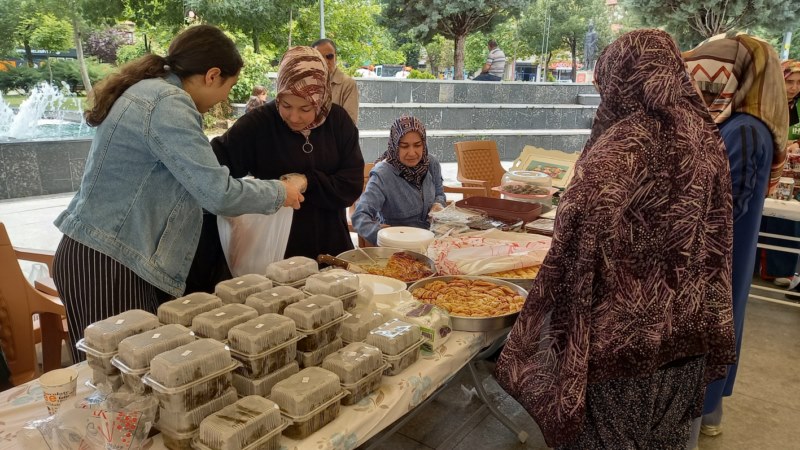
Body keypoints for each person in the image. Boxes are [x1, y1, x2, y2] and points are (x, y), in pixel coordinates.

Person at [494, 29, 736, 449]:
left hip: (618, 345)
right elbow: (717, 239)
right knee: (666, 440)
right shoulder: (705, 140)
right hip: (687, 334)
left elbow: (573, 248)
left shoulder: (617, 153)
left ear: (620, 77)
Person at [52, 25, 304, 362]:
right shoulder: (168, 104)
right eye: (227, 89)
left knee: (130, 376)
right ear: (212, 75)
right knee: (120, 377)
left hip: (111, 255)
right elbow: (217, 193)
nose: (223, 102)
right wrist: (280, 192)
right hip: (108, 260)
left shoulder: (150, 91)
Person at [682, 35, 788, 447]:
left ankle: (698, 417)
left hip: (717, 257)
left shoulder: (744, 130)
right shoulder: (739, 123)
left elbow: (725, 208)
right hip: (724, 255)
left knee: (709, 339)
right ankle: (708, 412)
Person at [210, 46, 364, 260]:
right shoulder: (259, 124)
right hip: (273, 248)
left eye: (306, 109)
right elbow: (211, 167)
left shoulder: (338, 122)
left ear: (320, 100)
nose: (294, 117)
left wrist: (307, 181)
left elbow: (352, 183)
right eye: (286, 105)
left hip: (330, 244)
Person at [352, 116, 446, 245]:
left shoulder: (431, 163)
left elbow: (439, 193)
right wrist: (379, 234)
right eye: (404, 146)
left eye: (417, 145)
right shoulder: (382, 175)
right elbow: (360, 216)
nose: (412, 153)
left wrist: (438, 205)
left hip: (432, 241)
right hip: (399, 248)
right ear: (395, 146)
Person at [311, 38, 359, 125]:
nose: (325, 61)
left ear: (335, 57)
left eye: (329, 56)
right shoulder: (306, 81)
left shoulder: (347, 84)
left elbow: (349, 123)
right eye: (320, 57)